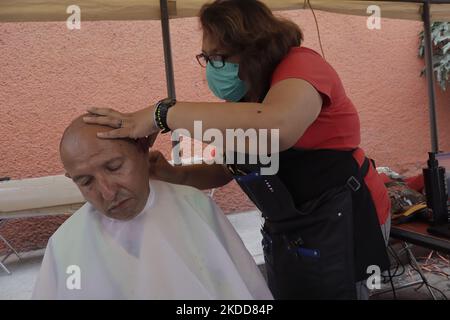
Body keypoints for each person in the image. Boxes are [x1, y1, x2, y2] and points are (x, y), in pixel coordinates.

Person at [83, 0, 391, 299]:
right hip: (291, 229)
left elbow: (277, 129)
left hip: (345, 218)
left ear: (255, 48)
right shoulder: (246, 101)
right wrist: (169, 173)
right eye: (206, 57)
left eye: (219, 57)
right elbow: (224, 170)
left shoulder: (302, 66)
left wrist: (162, 114)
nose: (213, 69)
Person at [32, 115, 273, 300]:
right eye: (85, 181)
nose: (107, 192)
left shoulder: (194, 207)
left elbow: (246, 289)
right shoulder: (65, 244)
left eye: (114, 167)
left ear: (143, 152)